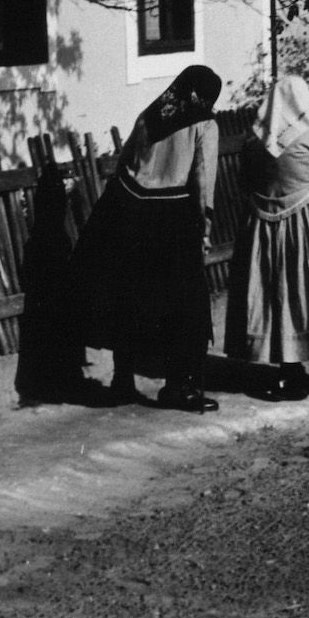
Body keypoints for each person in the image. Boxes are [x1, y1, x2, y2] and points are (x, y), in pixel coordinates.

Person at [74, 65, 223, 412]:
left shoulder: (150, 115)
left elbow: (126, 159)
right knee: (181, 305)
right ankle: (177, 387)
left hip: (126, 211)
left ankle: (122, 380)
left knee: (129, 296)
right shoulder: (204, 124)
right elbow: (203, 180)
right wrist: (204, 228)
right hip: (172, 217)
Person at [223, 75, 309, 399]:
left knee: (270, 292)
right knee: (299, 289)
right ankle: (295, 368)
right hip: (305, 224)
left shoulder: (253, 139)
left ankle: (286, 369)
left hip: (261, 226)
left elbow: (244, 183)